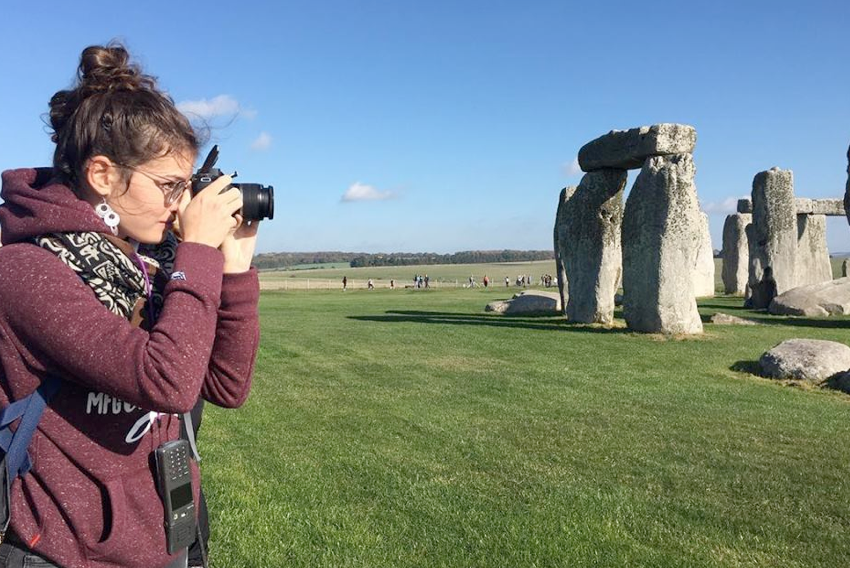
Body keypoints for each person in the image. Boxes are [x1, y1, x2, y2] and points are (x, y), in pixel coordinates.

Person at [0, 43, 260, 568]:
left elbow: (225, 386)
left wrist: (233, 273)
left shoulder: (140, 267)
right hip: (64, 552)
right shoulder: (25, 271)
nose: (180, 206)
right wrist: (198, 254)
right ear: (102, 176)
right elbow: (166, 381)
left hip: (163, 537)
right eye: (169, 186)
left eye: (185, 188)